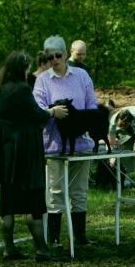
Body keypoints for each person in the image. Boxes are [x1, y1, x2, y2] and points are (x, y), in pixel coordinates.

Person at [0, 51, 69, 262]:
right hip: (25, 152)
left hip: (5, 154)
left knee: (7, 203)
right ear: (21, 69)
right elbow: (35, 114)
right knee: (33, 201)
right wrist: (52, 111)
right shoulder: (22, 89)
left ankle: (9, 248)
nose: (28, 72)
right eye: (27, 68)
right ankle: (42, 249)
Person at [33, 35, 98, 246]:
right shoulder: (42, 80)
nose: (54, 60)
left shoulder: (81, 76)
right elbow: (36, 111)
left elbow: (92, 107)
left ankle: (80, 236)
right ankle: (53, 239)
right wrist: (52, 112)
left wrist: (88, 126)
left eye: (58, 55)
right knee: (55, 192)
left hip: (82, 146)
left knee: (79, 191)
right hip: (55, 148)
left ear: (65, 54)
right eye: (49, 57)